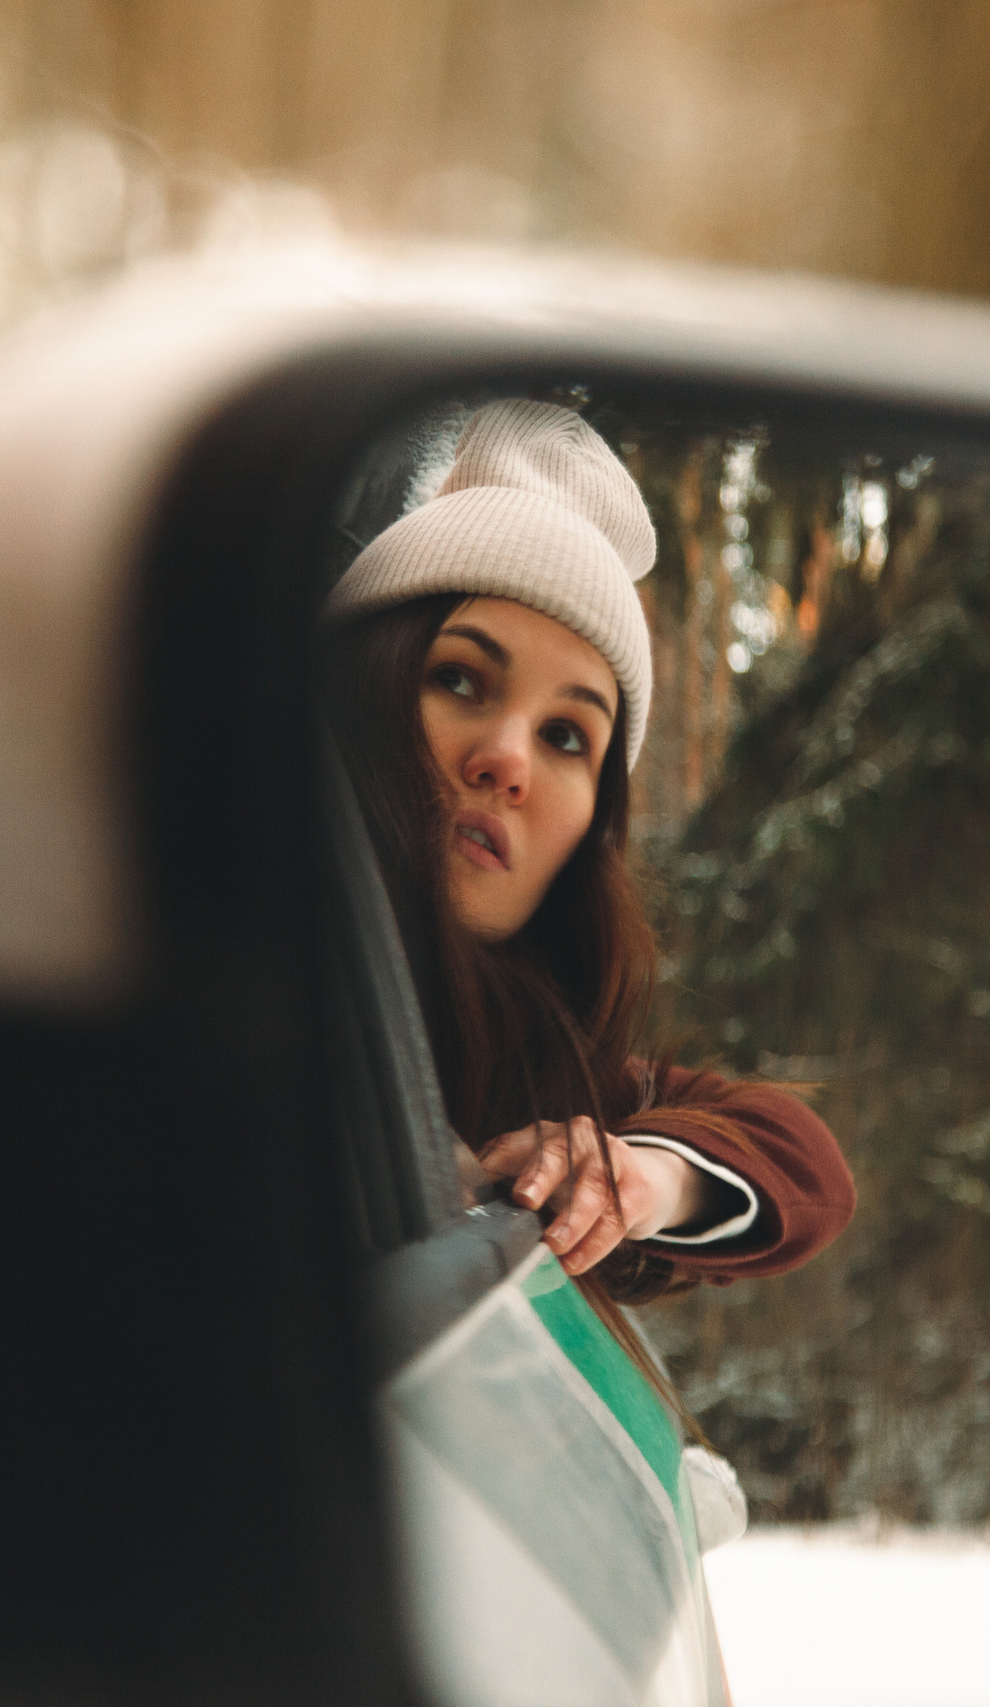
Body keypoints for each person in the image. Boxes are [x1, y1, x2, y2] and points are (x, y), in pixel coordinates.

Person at [323, 398, 854, 1304]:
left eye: (568, 735)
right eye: (459, 678)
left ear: (592, 830)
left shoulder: (536, 1076)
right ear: (363, 690)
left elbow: (810, 1169)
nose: (508, 760)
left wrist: (641, 1179)